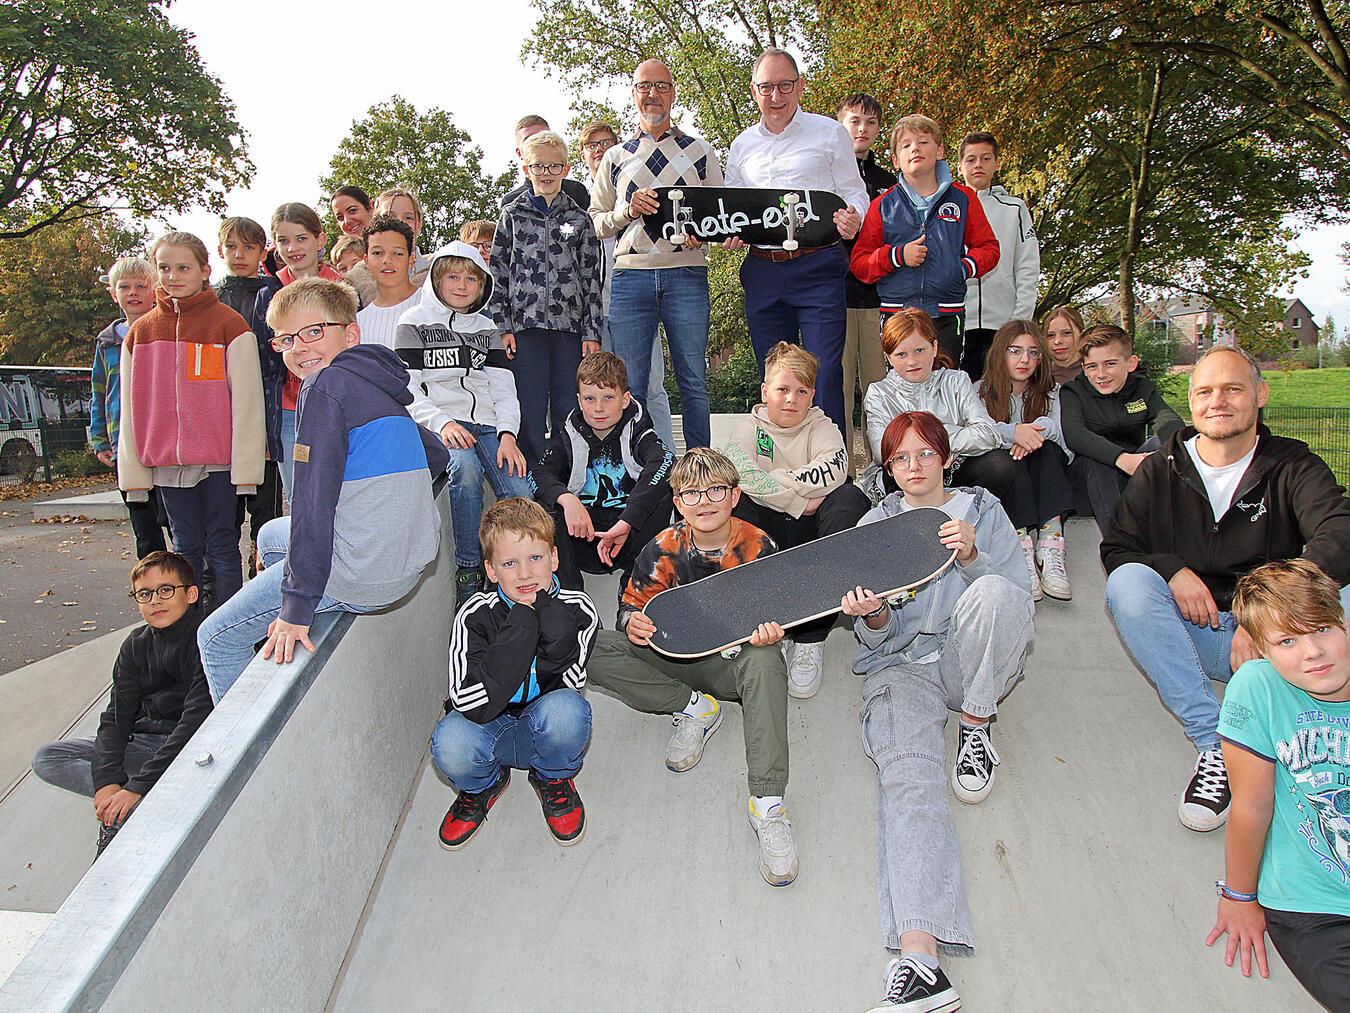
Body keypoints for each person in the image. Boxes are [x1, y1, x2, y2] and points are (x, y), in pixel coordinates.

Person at [1102, 346, 1350, 832]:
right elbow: (1118, 548)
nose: (1218, 401)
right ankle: (1217, 742)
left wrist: (1269, 615)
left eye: (1233, 388)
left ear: (1259, 395)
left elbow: (1339, 531)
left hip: (1276, 642)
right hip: (1196, 636)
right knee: (1127, 584)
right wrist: (1171, 569)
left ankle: (1323, 734)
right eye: (1205, 391)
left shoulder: (1292, 464)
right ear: (1192, 403)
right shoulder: (1160, 468)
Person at [845, 410, 1033, 1013]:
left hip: (971, 660)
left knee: (995, 591)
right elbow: (875, 637)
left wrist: (975, 556)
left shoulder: (984, 509)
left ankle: (976, 728)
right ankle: (922, 963)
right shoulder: (876, 524)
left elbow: (1018, 600)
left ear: (947, 458)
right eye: (901, 458)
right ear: (889, 468)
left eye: (926, 453)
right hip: (903, 669)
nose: (914, 467)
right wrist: (871, 615)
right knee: (909, 784)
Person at [197, 278, 449, 699]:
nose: (299, 348)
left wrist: (296, 605)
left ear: (350, 333)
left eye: (314, 332)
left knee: (216, 638)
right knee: (268, 535)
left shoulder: (325, 387)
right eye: (286, 339)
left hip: (361, 575)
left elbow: (313, 505)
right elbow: (438, 456)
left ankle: (252, 757)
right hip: (408, 565)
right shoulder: (379, 384)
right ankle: (281, 614)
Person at [586, 448, 798, 887]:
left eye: (715, 490)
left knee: (764, 659)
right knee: (588, 645)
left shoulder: (759, 545)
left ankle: (768, 804)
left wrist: (773, 635)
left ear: (734, 495)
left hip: (733, 664)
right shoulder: (662, 547)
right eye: (692, 493)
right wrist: (634, 624)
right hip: (675, 663)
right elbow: (628, 608)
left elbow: (783, 613)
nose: (704, 501)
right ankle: (694, 709)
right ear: (678, 502)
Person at [1210, 559, 1350, 1010]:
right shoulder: (1259, 688)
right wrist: (1239, 896)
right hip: (1314, 908)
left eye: (1323, 629)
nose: (1312, 652)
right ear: (1261, 649)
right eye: (1287, 641)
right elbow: (1252, 805)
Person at [431, 497, 599, 849]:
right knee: (450, 743)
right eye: (510, 563)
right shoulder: (474, 613)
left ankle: (552, 778)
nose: (524, 573)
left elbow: (569, 683)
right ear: (491, 571)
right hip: (491, 726)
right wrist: (523, 623)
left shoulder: (579, 609)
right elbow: (466, 700)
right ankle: (483, 785)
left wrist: (547, 616)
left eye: (535, 558)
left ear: (554, 558)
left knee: (568, 712)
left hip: (544, 727)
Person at [31, 551, 214, 859]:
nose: (155, 601)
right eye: (144, 594)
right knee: (48, 758)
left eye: (166, 590)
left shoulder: (206, 638)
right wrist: (107, 784)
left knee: (150, 775)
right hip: (142, 747)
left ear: (191, 594)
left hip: (188, 748)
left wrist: (136, 786)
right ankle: (134, 809)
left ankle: (131, 809)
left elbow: (193, 724)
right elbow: (116, 719)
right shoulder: (135, 644)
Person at [724, 47, 870, 434]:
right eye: (766, 87)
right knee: (775, 378)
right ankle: (779, 473)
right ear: (754, 91)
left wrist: (854, 218)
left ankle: (833, 473)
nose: (776, 96)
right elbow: (731, 208)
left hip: (818, 265)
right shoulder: (741, 146)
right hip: (762, 270)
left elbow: (855, 194)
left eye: (784, 85)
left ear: (800, 86)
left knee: (822, 371)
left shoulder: (830, 132)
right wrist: (729, 231)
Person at [118, 232, 265, 609]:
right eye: (164, 268)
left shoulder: (229, 326)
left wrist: (246, 466)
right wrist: (134, 475)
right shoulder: (141, 333)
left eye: (183, 267)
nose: (173, 276)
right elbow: (130, 409)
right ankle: (191, 630)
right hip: (167, 463)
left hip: (218, 461)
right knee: (184, 548)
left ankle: (231, 624)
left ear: (204, 270)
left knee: (221, 543)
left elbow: (248, 401)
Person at [722, 341, 869, 698]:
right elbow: (740, 473)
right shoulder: (749, 428)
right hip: (769, 527)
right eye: (782, 389)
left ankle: (810, 637)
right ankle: (763, 623)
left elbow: (834, 472)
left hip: (811, 531)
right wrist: (795, 499)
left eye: (801, 391)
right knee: (732, 500)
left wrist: (773, 482)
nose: (791, 399)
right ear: (765, 391)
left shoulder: (824, 427)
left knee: (849, 497)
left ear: (812, 395)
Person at [588, 61, 721, 449]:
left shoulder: (700, 151)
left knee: (693, 379)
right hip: (631, 278)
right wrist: (628, 209)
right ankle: (641, 468)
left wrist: (704, 236)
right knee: (633, 384)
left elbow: (720, 216)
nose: (652, 94)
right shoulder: (615, 157)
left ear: (673, 93)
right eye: (644, 86)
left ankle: (701, 467)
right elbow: (596, 222)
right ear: (634, 94)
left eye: (661, 86)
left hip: (686, 274)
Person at [395, 241, 530, 607]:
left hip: (487, 424)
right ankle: (470, 570)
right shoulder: (412, 323)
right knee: (466, 471)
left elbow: (504, 388)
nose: (461, 285)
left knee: (521, 488)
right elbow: (408, 389)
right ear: (436, 280)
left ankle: (522, 575)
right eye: (452, 276)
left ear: (482, 284)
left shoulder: (487, 329)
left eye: (471, 278)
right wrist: (441, 424)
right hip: (442, 423)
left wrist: (507, 434)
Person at [850, 114, 1000, 372]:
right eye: (906, 145)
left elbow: (989, 248)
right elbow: (860, 264)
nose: (915, 148)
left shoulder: (962, 199)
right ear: (896, 160)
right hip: (897, 315)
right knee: (903, 396)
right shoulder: (883, 205)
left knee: (945, 389)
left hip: (946, 313)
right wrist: (897, 256)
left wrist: (961, 269)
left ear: (939, 150)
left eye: (923, 142)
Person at [491, 130, 604, 465]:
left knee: (568, 411)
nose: (547, 174)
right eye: (539, 166)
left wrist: (591, 333)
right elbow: (497, 272)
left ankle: (565, 480)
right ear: (526, 169)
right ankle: (532, 484)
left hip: (569, 331)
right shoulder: (512, 215)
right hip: (525, 330)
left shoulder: (579, 219)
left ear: (566, 169)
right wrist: (503, 326)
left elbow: (592, 278)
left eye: (554, 167)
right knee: (529, 406)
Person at [532, 351, 674, 608]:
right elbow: (540, 474)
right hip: (584, 535)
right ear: (579, 400)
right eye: (590, 399)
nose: (598, 408)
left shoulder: (638, 430)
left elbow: (665, 463)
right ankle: (570, 597)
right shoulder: (569, 432)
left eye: (608, 397)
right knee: (547, 506)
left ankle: (634, 589)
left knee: (664, 495)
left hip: (626, 536)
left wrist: (629, 519)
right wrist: (567, 500)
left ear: (624, 399)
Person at [580, 109, 676, 450]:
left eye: (606, 143)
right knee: (599, 391)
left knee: (648, 387)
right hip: (593, 315)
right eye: (591, 145)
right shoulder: (578, 204)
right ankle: (613, 460)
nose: (598, 149)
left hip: (636, 306)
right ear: (583, 154)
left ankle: (663, 461)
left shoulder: (637, 189)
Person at [860, 309, 1007, 509]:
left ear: (934, 347)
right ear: (888, 357)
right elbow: (882, 451)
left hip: (952, 468)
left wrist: (935, 440)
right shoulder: (879, 393)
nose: (912, 361)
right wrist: (943, 436)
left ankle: (971, 516)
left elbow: (989, 434)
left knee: (999, 464)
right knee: (898, 471)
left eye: (919, 350)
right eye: (901, 354)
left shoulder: (956, 381)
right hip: (904, 476)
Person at [975, 320, 1074, 601]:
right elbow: (978, 434)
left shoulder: (1051, 393)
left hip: (1042, 471)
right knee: (1008, 456)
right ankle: (1019, 548)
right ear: (1000, 354)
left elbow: (1067, 445)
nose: (1024, 360)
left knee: (1049, 450)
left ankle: (1050, 545)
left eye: (1033, 353)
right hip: (1000, 476)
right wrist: (1014, 433)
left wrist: (1035, 433)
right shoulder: (978, 392)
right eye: (1015, 351)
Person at [1061, 323, 1183, 533]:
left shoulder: (1144, 389)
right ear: (1083, 367)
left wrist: (1177, 449)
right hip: (1089, 484)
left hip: (1132, 475)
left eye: (1110, 364)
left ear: (1131, 363)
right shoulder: (1073, 392)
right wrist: (1122, 459)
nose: (1100, 374)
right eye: (1092, 366)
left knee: (1168, 446)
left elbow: (1167, 421)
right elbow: (1075, 435)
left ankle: (1185, 527)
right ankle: (1120, 544)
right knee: (1096, 463)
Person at [215, 217, 285, 573]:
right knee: (224, 510)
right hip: (222, 415)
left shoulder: (272, 292)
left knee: (265, 507)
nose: (239, 255)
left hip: (264, 412)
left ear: (262, 251)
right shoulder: (211, 297)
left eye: (249, 247)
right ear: (220, 251)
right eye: (232, 247)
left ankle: (263, 569)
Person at [90, 256, 167, 559]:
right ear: (113, 293)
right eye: (125, 287)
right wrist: (99, 438)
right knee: (144, 526)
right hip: (125, 442)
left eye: (141, 286)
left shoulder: (164, 331)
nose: (133, 292)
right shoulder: (107, 342)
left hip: (162, 443)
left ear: (154, 291)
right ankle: (154, 582)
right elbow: (99, 391)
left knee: (175, 519)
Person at [837, 92, 897, 474]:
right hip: (833, 299)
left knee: (877, 388)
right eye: (855, 121)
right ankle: (842, 470)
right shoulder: (825, 174)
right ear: (839, 125)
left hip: (878, 299)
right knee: (839, 389)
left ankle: (883, 468)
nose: (862, 129)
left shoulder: (889, 184)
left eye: (871, 123)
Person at [271, 202, 348, 497]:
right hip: (289, 407)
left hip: (335, 403)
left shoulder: (341, 287)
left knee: (337, 490)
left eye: (301, 238)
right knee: (299, 493)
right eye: (284, 240)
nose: (293, 248)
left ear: (320, 239)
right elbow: (266, 363)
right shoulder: (268, 290)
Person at [958, 132, 1040, 381]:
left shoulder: (1014, 209)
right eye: (971, 160)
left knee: (1000, 398)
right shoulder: (949, 209)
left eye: (985, 158)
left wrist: (1019, 322)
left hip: (1003, 325)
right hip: (960, 324)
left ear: (996, 163)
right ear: (960, 166)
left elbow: (1027, 266)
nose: (978, 165)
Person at [354, 216, 421, 350]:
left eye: (397, 253)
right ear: (366, 260)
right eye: (377, 253)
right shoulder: (359, 322)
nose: (387, 260)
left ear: (411, 259)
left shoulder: (433, 304)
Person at [501, 114, 592, 210]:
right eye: (529, 140)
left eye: (544, 137)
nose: (538, 143)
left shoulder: (576, 191)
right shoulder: (510, 204)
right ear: (519, 153)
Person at [373, 186, 433, 281]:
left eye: (408, 218)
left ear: (419, 224)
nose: (400, 222)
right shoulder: (361, 275)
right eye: (390, 216)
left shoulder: (436, 270)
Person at [1040, 304, 1084, 385]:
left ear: (1082, 335)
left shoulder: (1097, 374)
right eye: (1050, 335)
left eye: (1066, 333)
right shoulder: (1040, 380)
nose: (1057, 341)